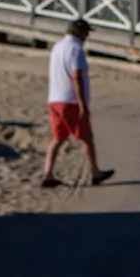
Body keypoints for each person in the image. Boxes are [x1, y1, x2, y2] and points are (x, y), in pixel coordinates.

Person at [41, 19, 115, 188]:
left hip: (54, 98)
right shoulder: (76, 49)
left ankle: (48, 173)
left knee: (57, 138)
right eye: (86, 32)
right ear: (79, 32)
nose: (87, 36)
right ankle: (95, 172)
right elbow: (77, 77)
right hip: (70, 100)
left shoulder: (57, 47)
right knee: (86, 138)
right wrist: (83, 105)